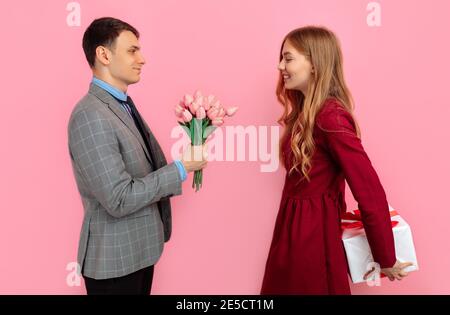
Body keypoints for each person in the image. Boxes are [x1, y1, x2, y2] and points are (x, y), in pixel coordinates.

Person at [261, 26, 413, 295]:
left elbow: (368, 188)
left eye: (288, 58)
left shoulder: (330, 117)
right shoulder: (304, 116)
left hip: (313, 242)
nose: (280, 65)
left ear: (314, 64)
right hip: (290, 234)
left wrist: (385, 255)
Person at [67, 17, 207, 295]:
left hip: (138, 254)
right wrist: (180, 168)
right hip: (114, 264)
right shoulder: (90, 115)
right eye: (132, 50)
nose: (142, 59)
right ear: (103, 54)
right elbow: (118, 198)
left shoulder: (120, 104)